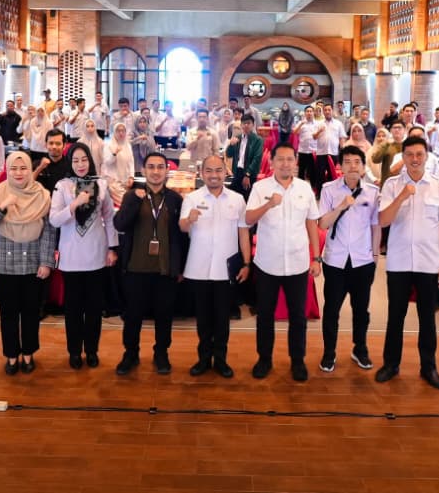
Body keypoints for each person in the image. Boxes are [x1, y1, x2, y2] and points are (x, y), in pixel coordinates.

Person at [377, 136, 439, 387]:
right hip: (398, 261)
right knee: (395, 315)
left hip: (429, 262)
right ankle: (390, 364)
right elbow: (383, 221)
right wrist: (401, 197)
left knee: (427, 317)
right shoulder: (392, 185)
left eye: (419, 154)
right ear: (403, 157)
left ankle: (429, 367)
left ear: (427, 156)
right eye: (409, 154)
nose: (415, 159)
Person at [242, 143, 321, 382]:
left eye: (289, 159)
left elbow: (312, 223)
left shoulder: (305, 188)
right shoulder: (260, 187)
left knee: (298, 316)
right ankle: (264, 359)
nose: (285, 164)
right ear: (272, 162)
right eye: (280, 159)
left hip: (298, 263)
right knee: (265, 315)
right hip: (267, 263)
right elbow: (248, 219)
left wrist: (316, 257)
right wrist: (268, 204)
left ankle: (298, 361)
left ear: (296, 161)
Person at [0, 152, 56, 375]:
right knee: (8, 312)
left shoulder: (42, 194)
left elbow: (49, 231)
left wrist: (46, 262)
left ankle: (28, 353)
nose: (19, 173)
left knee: (31, 312)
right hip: (3, 263)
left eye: (23, 168)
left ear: (30, 170)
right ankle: (11, 356)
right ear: (8, 170)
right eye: (14, 168)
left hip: (34, 262)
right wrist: (2, 207)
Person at [113, 152, 187, 375]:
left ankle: (161, 353)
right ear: (144, 171)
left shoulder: (175, 199)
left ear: (167, 171)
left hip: (165, 269)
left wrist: (180, 267)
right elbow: (119, 224)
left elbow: (181, 237)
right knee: (133, 315)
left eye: (160, 167)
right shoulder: (132, 196)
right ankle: (130, 354)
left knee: (164, 315)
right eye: (151, 167)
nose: (156, 171)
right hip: (136, 268)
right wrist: (135, 201)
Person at [179, 155, 250, 378]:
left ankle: (220, 359)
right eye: (208, 171)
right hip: (198, 268)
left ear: (225, 172)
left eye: (218, 170)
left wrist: (247, 263)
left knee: (222, 318)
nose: (213, 175)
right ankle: (203, 359)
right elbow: (182, 227)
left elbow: (243, 233)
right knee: (203, 318)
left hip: (225, 270)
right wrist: (189, 219)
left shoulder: (237, 199)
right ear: (202, 174)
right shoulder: (191, 198)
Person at [49, 142, 118, 369]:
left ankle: (91, 350)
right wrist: (74, 205)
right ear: (70, 162)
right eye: (75, 160)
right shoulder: (62, 186)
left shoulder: (101, 184)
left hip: (96, 254)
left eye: (84, 159)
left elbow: (109, 217)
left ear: (90, 160)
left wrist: (112, 248)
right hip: (71, 256)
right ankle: (74, 351)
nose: (80, 164)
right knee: (73, 309)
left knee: (94, 308)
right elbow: (54, 219)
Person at [317, 145, 380, 373]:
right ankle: (329, 352)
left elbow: (375, 227)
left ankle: (360, 349)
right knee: (332, 309)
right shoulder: (328, 190)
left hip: (363, 260)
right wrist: (341, 206)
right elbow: (322, 224)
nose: (352, 166)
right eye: (347, 162)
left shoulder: (372, 192)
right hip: (335, 260)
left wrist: (375, 256)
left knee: (361, 310)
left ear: (363, 167)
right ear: (340, 167)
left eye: (357, 162)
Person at [225, 114, 264, 199]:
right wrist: (231, 145)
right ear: (241, 125)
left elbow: (257, 159)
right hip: (237, 172)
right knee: (234, 198)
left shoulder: (258, 140)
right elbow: (228, 154)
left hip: (249, 174)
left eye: (248, 123)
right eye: (244, 123)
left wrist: (247, 175)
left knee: (246, 198)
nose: (246, 125)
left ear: (253, 125)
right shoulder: (237, 138)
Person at [102, 121, 135, 206]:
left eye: (123, 131)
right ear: (114, 132)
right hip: (113, 182)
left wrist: (131, 177)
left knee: (132, 201)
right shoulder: (108, 145)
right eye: (118, 131)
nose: (121, 133)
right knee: (126, 203)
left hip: (126, 181)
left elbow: (131, 162)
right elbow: (107, 162)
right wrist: (114, 153)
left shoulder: (128, 145)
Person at [293, 105, 324, 194]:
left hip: (313, 151)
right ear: (305, 113)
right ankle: (299, 190)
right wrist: (301, 124)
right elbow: (294, 132)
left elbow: (319, 136)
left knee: (313, 171)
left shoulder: (317, 124)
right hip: (302, 151)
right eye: (307, 111)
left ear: (313, 113)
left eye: (311, 111)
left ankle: (313, 190)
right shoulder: (301, 123)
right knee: (301, 171)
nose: (309, 113)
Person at [35, 129, 72, 193]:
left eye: (58, 143)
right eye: (51, 143)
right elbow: (27, 184)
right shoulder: (37, 164)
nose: (54, 147)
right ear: (46, 145)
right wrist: (39, 168)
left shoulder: (71, 165)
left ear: (64, 146)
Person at [318, 104, 347, 184]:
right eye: (325, 110)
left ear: (332, 111)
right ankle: (320, 191)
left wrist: (342, 150)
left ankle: (331, 191)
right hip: (321, 153)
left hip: (334, 152)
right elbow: (314, 137)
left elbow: (342, 137)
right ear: (323, 112)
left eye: (329, 110)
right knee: (320, 175)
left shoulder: (338, 123)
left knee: (331, 175)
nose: (327, 112)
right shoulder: (319, 123)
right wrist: (319, 131)